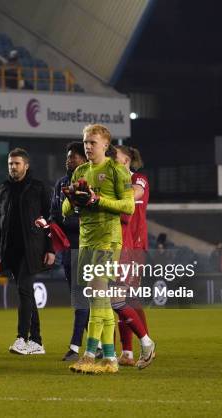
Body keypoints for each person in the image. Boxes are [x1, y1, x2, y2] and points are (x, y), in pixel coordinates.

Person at [62, 124, 151, 374]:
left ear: (105, 145)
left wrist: (97, 200)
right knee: (97, 299)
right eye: (85, 142)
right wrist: (71, 198)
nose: (88, 146)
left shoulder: (117, 171)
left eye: (92, 142)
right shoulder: (80, 170)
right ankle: (110, 358)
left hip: (108, 240)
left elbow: (128, 207)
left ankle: (90, 355)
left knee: (98, 295)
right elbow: (66, 212)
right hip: (87, 240)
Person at [0, 148, 55, 355]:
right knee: (26, 293)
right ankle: (37, 341)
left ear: (26, 165)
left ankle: (21, 338)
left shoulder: (39, 188)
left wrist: (50, 248)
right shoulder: (3, 189)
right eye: (10, 164)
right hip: (11, 249)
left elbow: (50, 220)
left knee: (24, 290)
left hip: (32, 248)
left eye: (17, 163)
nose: (13, 167)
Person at [112, 145, 154, 367]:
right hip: (118, 245)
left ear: (126, 159)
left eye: (115, 156)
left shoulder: (139, 179)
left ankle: (144, 344)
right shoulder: (113, 180)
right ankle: (127, 352)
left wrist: (104, 197)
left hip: (134, 247)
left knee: (125, 298)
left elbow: (136, 193)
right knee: (123, 298)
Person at [50, 142, 87, 361]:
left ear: (83, 160)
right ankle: (99, 343)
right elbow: (55, 212)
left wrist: (66, 220)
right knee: (81, 300)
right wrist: (51, 224)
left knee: (82, 299)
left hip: (86, 247)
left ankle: (75, 347)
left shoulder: (89, 182)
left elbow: (84, 219)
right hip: (67, 249)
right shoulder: (61, 184)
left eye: (73, 157)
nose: (68, 160)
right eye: (68, 156)